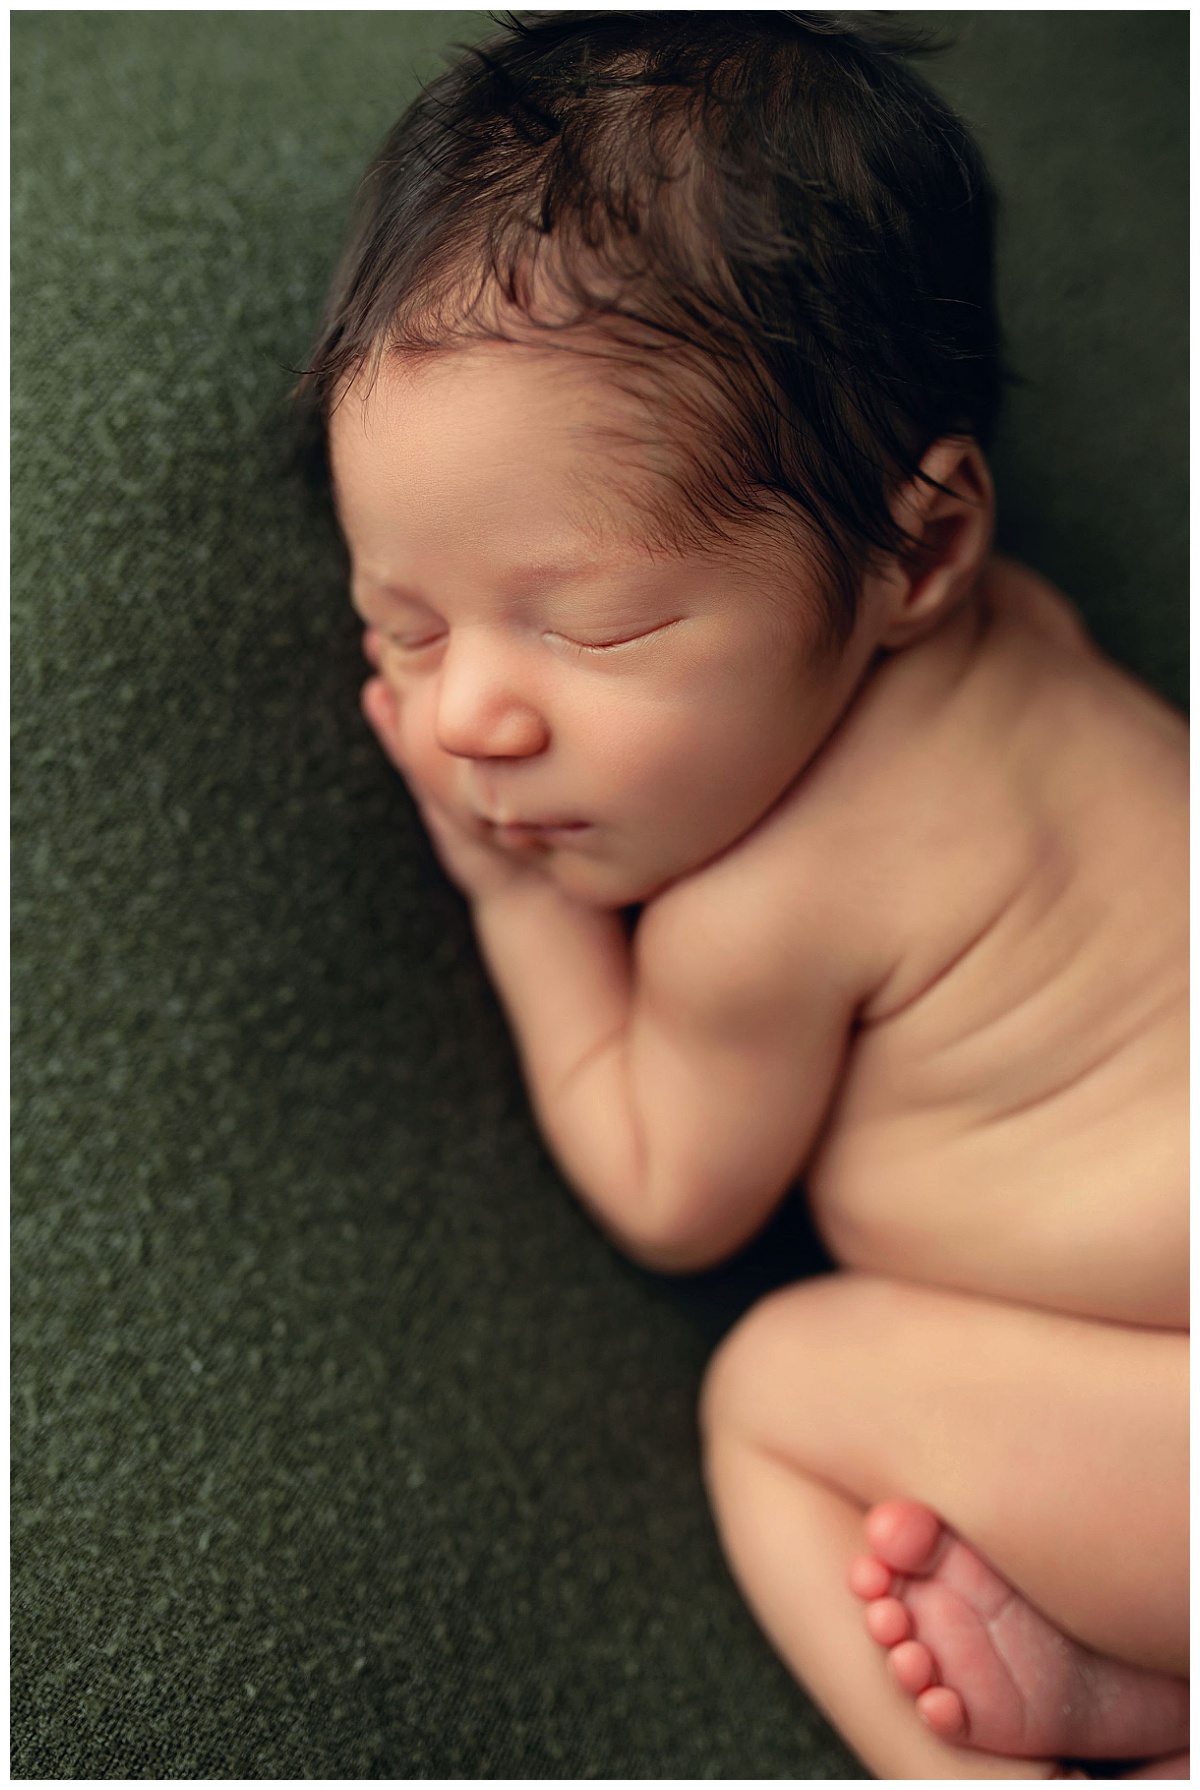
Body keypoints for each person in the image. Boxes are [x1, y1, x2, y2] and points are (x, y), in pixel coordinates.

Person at [293, 14, 1188, 1778]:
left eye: (597, 624)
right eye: (405, 627)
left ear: (917, 550)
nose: (470, 712)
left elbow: (665, 1189)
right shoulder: (1043, 653)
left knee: (775, 1397)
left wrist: (512, 901)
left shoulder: (760, 913)